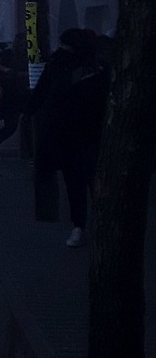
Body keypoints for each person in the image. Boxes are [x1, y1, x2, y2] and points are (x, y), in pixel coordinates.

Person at [22, 28, 108, 248]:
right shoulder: (62, 66)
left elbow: (42, 92)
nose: (61, 49)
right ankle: (82, 225)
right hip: (73, 135)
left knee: (87, 181)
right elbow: (42, 91)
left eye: (65, 45)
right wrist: (29, 111)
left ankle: (92, 225)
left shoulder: (92, 70)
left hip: (85, 135)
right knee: (77, 182)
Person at [0, 39, 30, 161]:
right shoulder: (8, 54)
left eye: (24, 44)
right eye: (20, 44)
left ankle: (30, 152)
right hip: (10, 95)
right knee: (11, 126)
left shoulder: (31, 55)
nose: (22, 47)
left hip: (26, 92)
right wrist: (6, 70)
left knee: (29, 122)